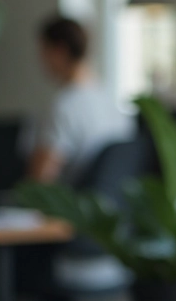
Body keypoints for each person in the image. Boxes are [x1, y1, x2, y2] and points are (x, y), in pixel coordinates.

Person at [27, 15, 134, 185]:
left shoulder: (64, 107)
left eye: (43, 51)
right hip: (114, 209)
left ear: (59, 51)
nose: (41, 61)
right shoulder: (113, 102)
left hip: (71, 210)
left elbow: (40, 183)